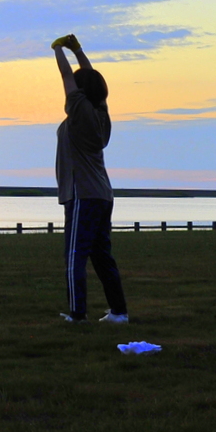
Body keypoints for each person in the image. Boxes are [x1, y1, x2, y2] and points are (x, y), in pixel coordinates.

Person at [50, 33, 128, 324]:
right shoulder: (101, 112)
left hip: (83, 194)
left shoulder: (81, 111)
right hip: (101, 195)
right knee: (101, 256)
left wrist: (58, 49)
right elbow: (91, 80)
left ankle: (77, 315)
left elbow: (68, 77)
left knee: (74, 257)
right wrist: (78, 50)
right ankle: (119, 313)